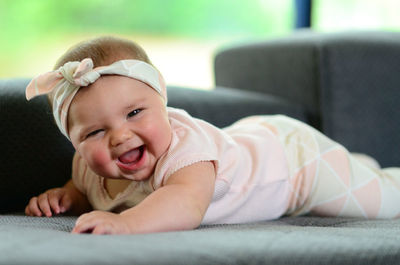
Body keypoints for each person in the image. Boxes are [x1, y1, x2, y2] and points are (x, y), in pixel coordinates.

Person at [25, 36, 400, 234]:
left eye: (135, 113)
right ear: (73, 141)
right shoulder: (86, 168)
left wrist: (126, 224)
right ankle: (360, 165)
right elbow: (82, 187)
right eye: (95, 131)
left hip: (296, 164)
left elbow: (185, 205)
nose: (120, 136)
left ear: (163, 101)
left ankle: (376, 175)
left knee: (385, 203)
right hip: (250, 140)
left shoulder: (187, 153)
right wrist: (67, 197)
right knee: (361, 173)